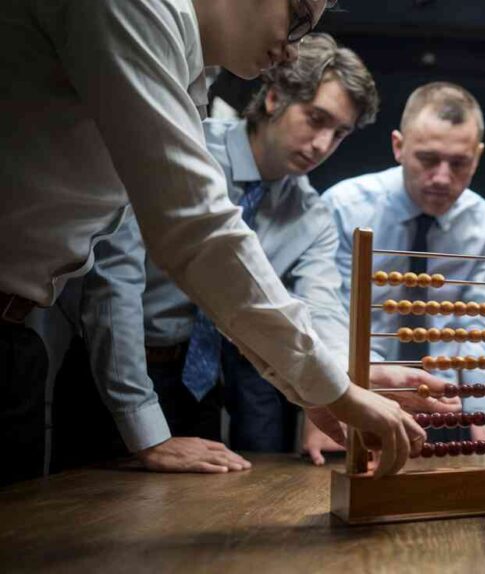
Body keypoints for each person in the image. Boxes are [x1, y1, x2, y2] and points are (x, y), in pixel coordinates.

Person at [0, 0, 421, 484]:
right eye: (298, 17)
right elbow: (188, 236)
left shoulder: (193, 82)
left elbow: (320, 303)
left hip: (35, 339)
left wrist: (343, 378)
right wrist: (334, 392)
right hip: (110, 373)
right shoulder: (137, 15)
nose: (292, 50)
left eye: (340, 133)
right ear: (273, 101)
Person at [322, 82, 485, 444]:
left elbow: (477, 324)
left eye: (459, 163)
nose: (442, 177)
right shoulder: (345, 207)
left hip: (444, 403)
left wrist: (482, 411)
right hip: (356, 390)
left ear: (478, 156)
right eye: (427, 159)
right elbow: (333, 318)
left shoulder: (484, 221)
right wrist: (339, 403)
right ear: (398, 146)